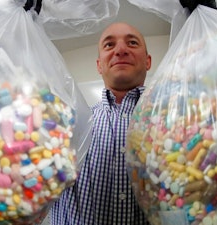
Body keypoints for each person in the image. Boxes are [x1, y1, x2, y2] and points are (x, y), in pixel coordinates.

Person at [50, 22, 152, 225]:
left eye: (132, 43)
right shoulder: (68, 125)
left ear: (148, 61)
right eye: (109, 45)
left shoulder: (174, 124)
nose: (121, 50)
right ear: (99, 65)